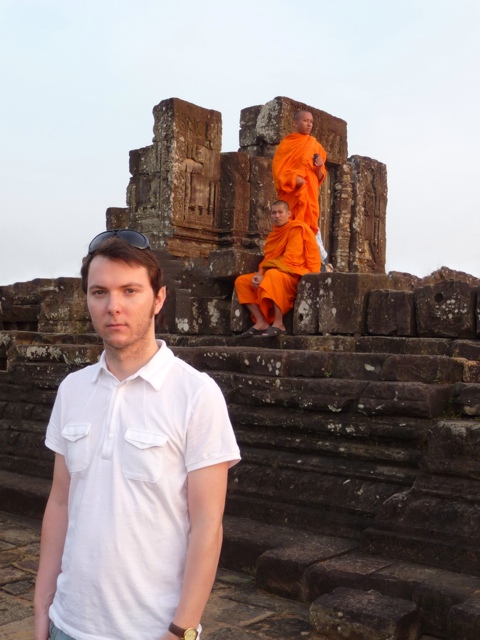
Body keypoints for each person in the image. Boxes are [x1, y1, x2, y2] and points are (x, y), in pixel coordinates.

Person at [34, 229, 240, 640]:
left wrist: (181, 629)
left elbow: (207, 525)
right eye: (99, 293)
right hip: (68, 622)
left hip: (152, 629)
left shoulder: (196, 395)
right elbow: (60, 501)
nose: (114, 307)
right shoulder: (73, 389)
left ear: (158, 298)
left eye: (130, 291)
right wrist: (42, 603)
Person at [235, 200, 320, 337]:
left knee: (272, 275)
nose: (277, 216)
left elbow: (291, 259)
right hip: (274, 270)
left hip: (293, 272)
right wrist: (259, 274)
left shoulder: (297, 229)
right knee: (242, 281)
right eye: (274, 213)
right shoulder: (273, 235)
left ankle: (279, 323)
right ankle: (261, 322)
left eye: (280, 212)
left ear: (289, 214)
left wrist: (265, 273)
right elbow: (267, 260)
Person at [272, 110, 333, 270]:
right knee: (290, 226)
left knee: (309, 226)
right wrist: (294, 179)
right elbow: (278, 172)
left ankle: (317, 261)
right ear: (295, 123)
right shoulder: (287, 145)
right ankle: (289, 259)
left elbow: (320, 176)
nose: (309, 124)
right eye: (305, 121)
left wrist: (319, 167)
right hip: (292, 195)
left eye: (311, 122)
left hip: (308, 195)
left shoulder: (315, 145)